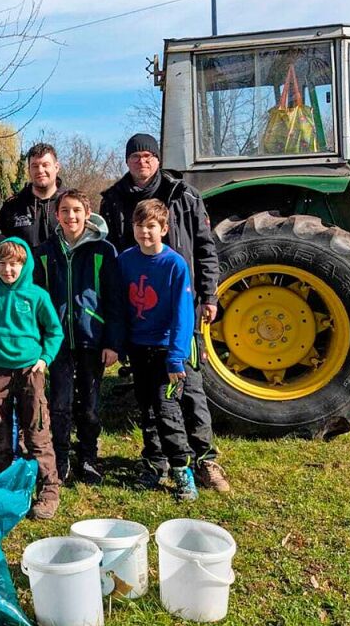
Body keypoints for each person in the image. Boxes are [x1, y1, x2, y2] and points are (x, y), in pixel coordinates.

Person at [99, 133, 230, 493]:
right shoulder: (113, 200)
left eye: (148, 156)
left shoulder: (183, 195)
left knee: (189, 391)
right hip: (141, 322)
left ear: (157, 160)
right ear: (127, 162)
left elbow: (204, 248)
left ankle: (204, 460)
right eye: (135, 156)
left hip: (180, 312)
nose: (142, 161)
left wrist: (208, 294)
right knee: (151, 401)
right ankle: (156, 461)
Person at [118, 199, 222, 501]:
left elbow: (182, 314)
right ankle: (154, 463)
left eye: (151, 226)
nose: (144, 232)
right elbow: (122, 306)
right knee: (147, 410)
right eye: (139, 226)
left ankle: (182, 469)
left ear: (163, 228)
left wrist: (177, 357)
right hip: (139, 348)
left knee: (168, 412)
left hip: (168, 352)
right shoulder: (126, 261)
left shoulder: (175, 264)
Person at [34, 189, 124, 485]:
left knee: (89, 405)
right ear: (56, 215)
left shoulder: (103, 251)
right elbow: (38, 299)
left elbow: (113, 300)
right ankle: (60, 457)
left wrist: (112, 342)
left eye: (76, 211)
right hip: (57, 342)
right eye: (65, 211)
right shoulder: (46, 252)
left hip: (92, 339)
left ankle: (88, 457)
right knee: (58, 404)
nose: (70, 216)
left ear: (87, 214)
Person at [0, 238, 64, 519]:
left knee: (36, 430)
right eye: (2, 264)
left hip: (29, 371)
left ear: (24, 266)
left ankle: (48, 490)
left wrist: (44, 358)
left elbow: (54, 331)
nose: (8, 269)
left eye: (14, 264)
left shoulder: (37, 296)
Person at [0, 143, 65, 249]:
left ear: (56, 167)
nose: (40, 170)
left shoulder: (71, 204)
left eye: (45, 165)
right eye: (35, 166)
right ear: (29, 170)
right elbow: (2, 248)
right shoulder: (12, 206)